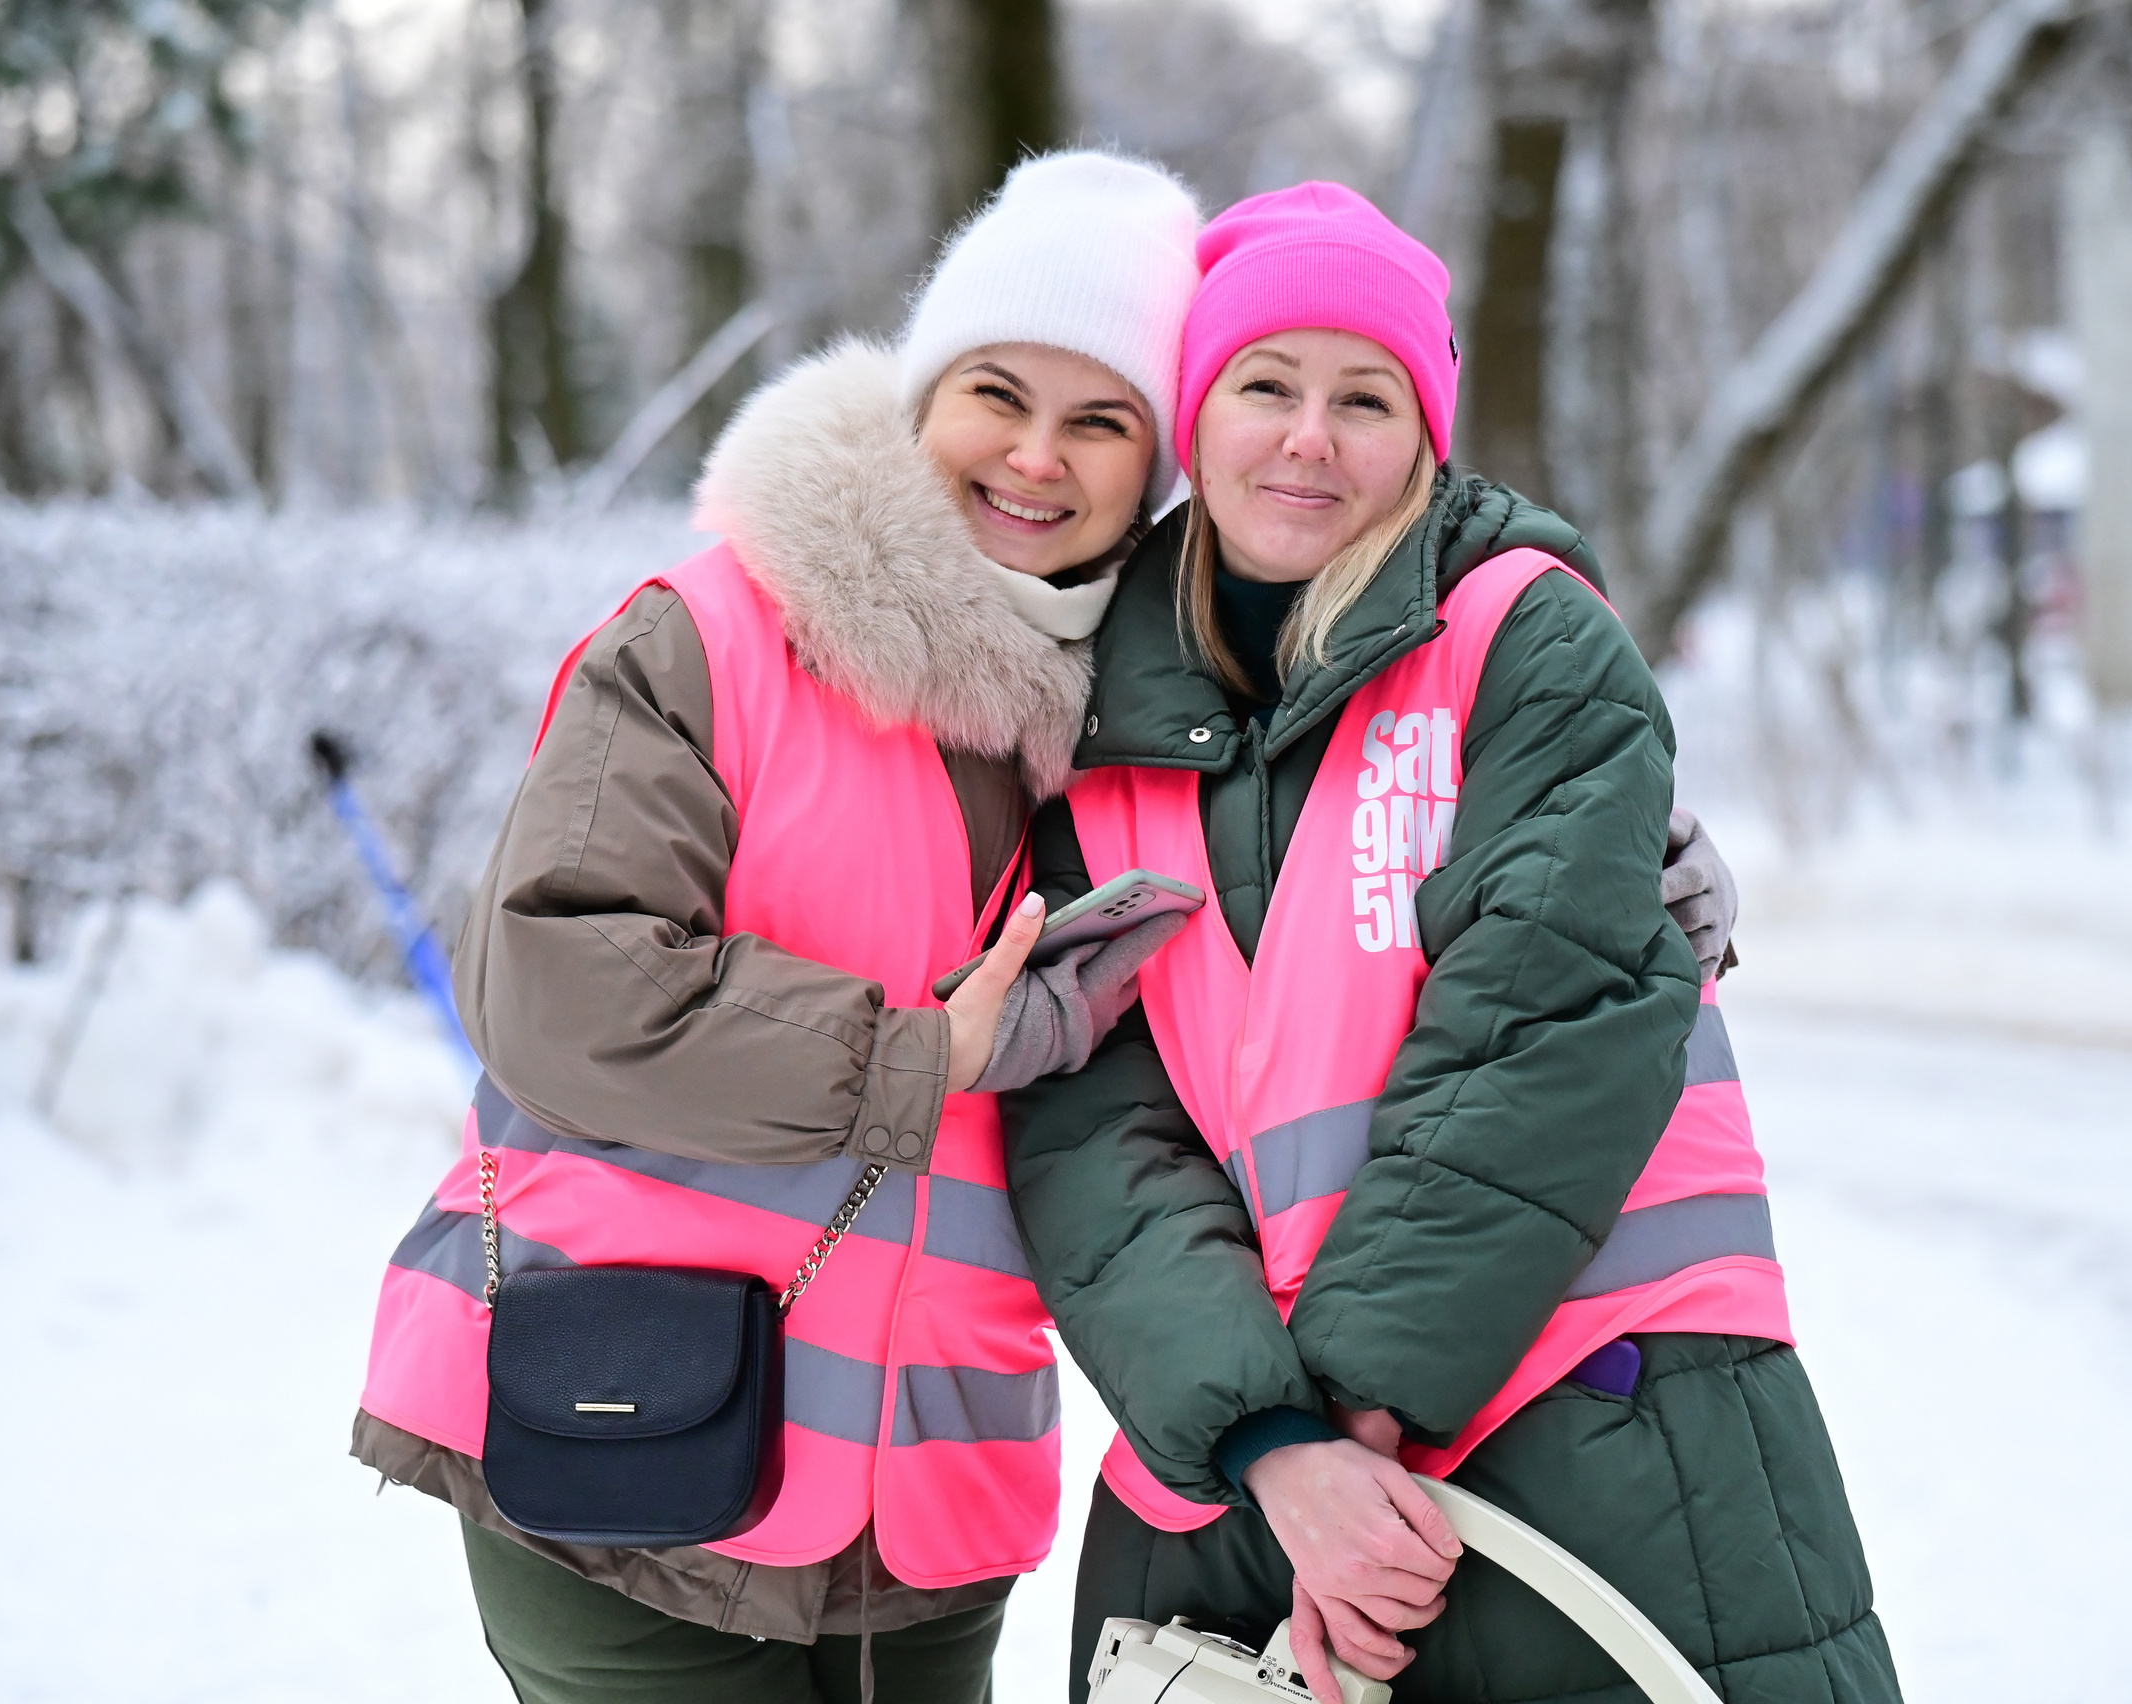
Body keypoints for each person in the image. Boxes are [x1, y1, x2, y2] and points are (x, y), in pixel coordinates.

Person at [1001, 183, 1897, 1704]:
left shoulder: (1524, 635)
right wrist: (1275, 1449)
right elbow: (1090, 1120)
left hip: (1599, 1433)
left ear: (1424, 432)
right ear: (1195, 414)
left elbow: (1538, 1029)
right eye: (1266, 386)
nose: (1311, 437)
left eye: (1367, 397)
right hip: (1249, 1480)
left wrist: (1350, 1438)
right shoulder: (1087, 715)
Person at [348, 151, 1206, 1704]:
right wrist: (902, 1057)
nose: (1034, 455)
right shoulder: (722, 637)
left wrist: (1601, 828)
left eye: (1103, 421)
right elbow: (554, 983)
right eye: (996, 393)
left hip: (923, 1501)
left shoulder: (1155, 732)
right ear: (921, 393)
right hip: (629, 1443)